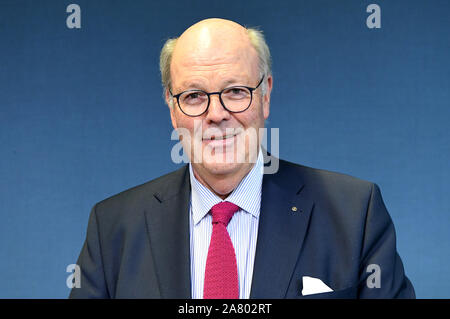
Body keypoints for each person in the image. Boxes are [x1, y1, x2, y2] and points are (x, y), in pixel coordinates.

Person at [69, 18, 415, 299]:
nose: (216, 114)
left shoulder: (355, 213)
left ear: (265, 96)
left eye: (236, 91)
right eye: (193, 96)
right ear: (172, 109)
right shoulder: (113, 227)